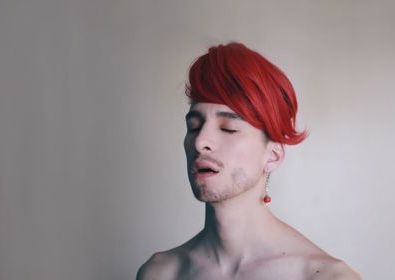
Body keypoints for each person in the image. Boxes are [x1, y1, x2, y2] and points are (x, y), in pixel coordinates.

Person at [137, 42, 361, 280]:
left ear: (273, 156)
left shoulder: (326, 277)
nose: (200, 141)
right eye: (193, 126)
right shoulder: (161, 273)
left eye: (228, 128)